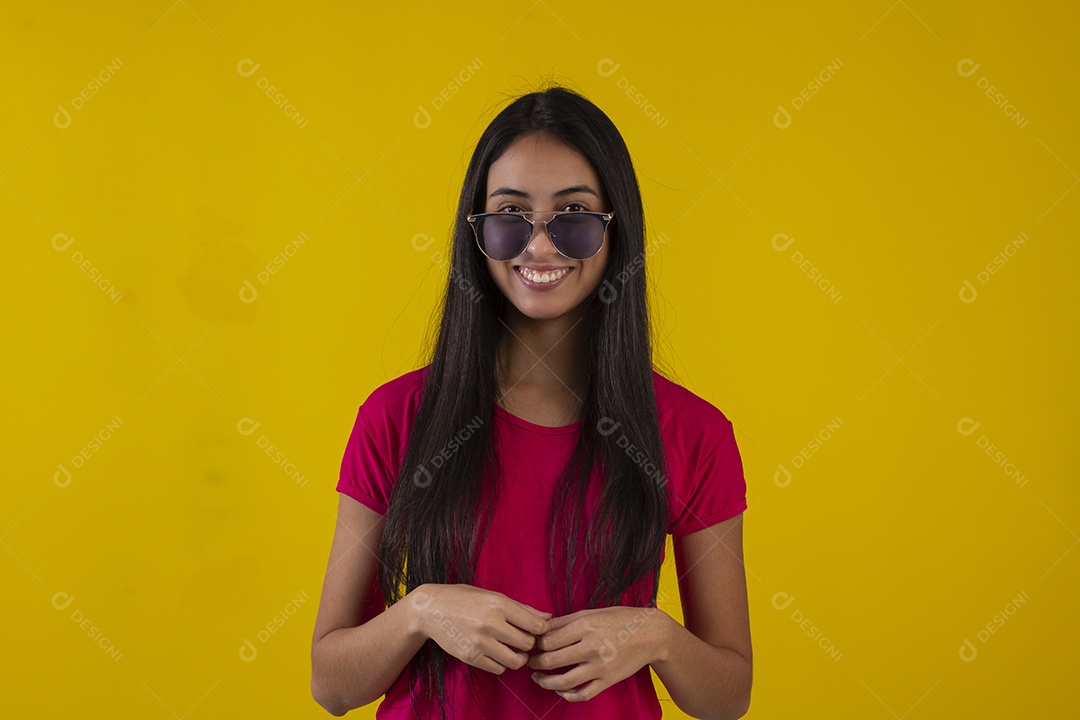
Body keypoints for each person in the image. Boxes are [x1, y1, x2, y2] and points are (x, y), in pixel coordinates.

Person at [310, 84, 752, 719]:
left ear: (614, 231)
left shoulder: (693, 432)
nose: (539, 247)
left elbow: (727, 698)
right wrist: (421, 611)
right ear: (477, 232)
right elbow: (333, 685)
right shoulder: (395, 417)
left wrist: (655, 634)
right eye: (509, 217)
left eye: (572, 217)